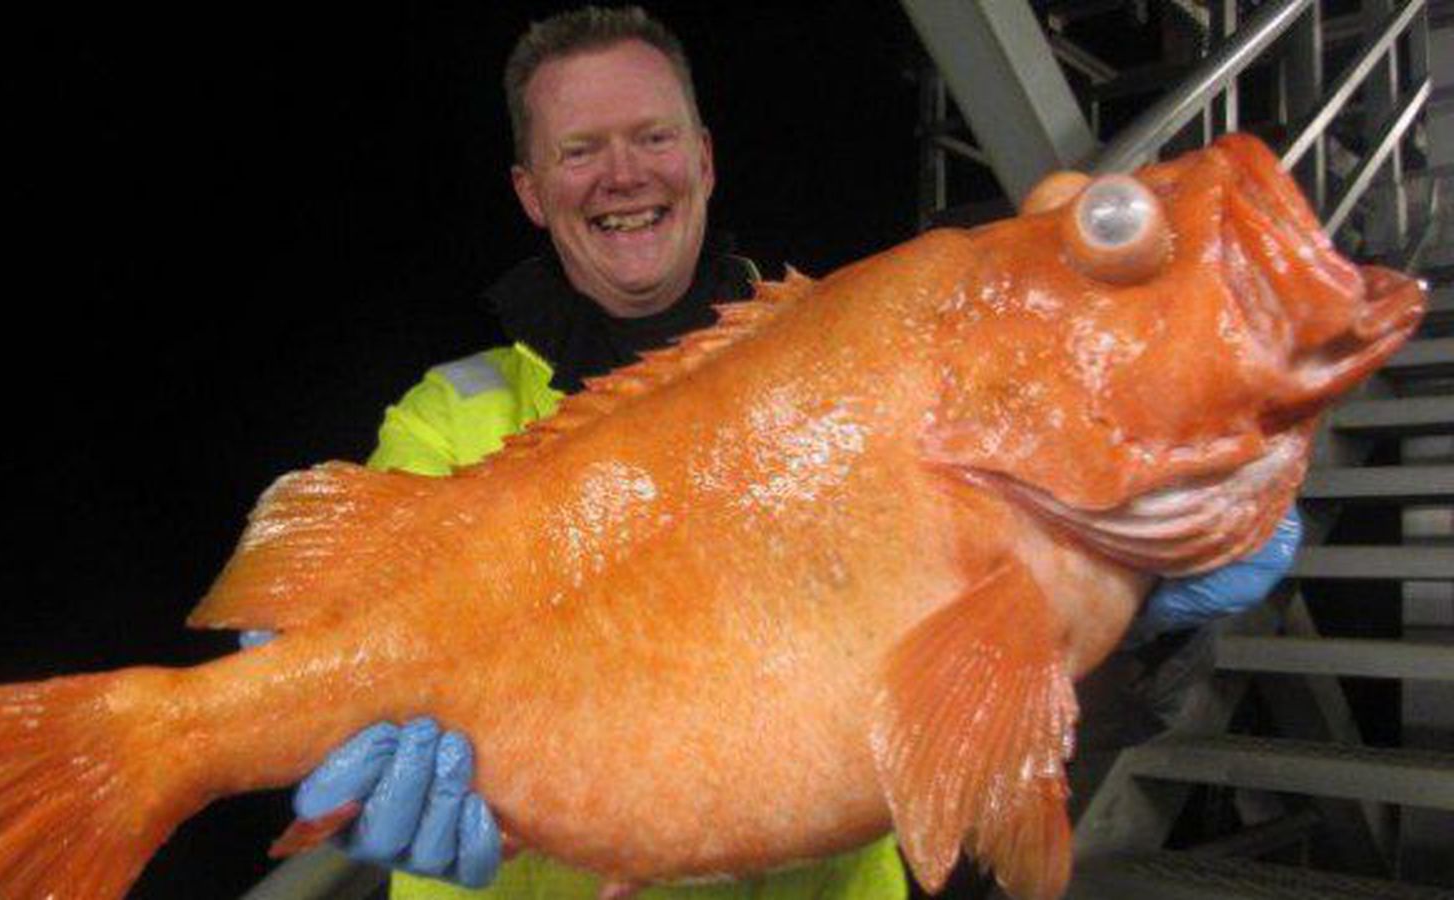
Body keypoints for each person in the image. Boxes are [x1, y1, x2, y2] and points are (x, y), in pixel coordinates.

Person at [268, 6, 1302, 898]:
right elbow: (325, 626)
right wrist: (301, 723)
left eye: (652, 136)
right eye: (578, 151)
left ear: (704, 158)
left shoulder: (863, 379)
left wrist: (1128, 623)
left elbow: (986, 740)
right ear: (532, 191)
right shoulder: (450, 417)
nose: (622, 174)